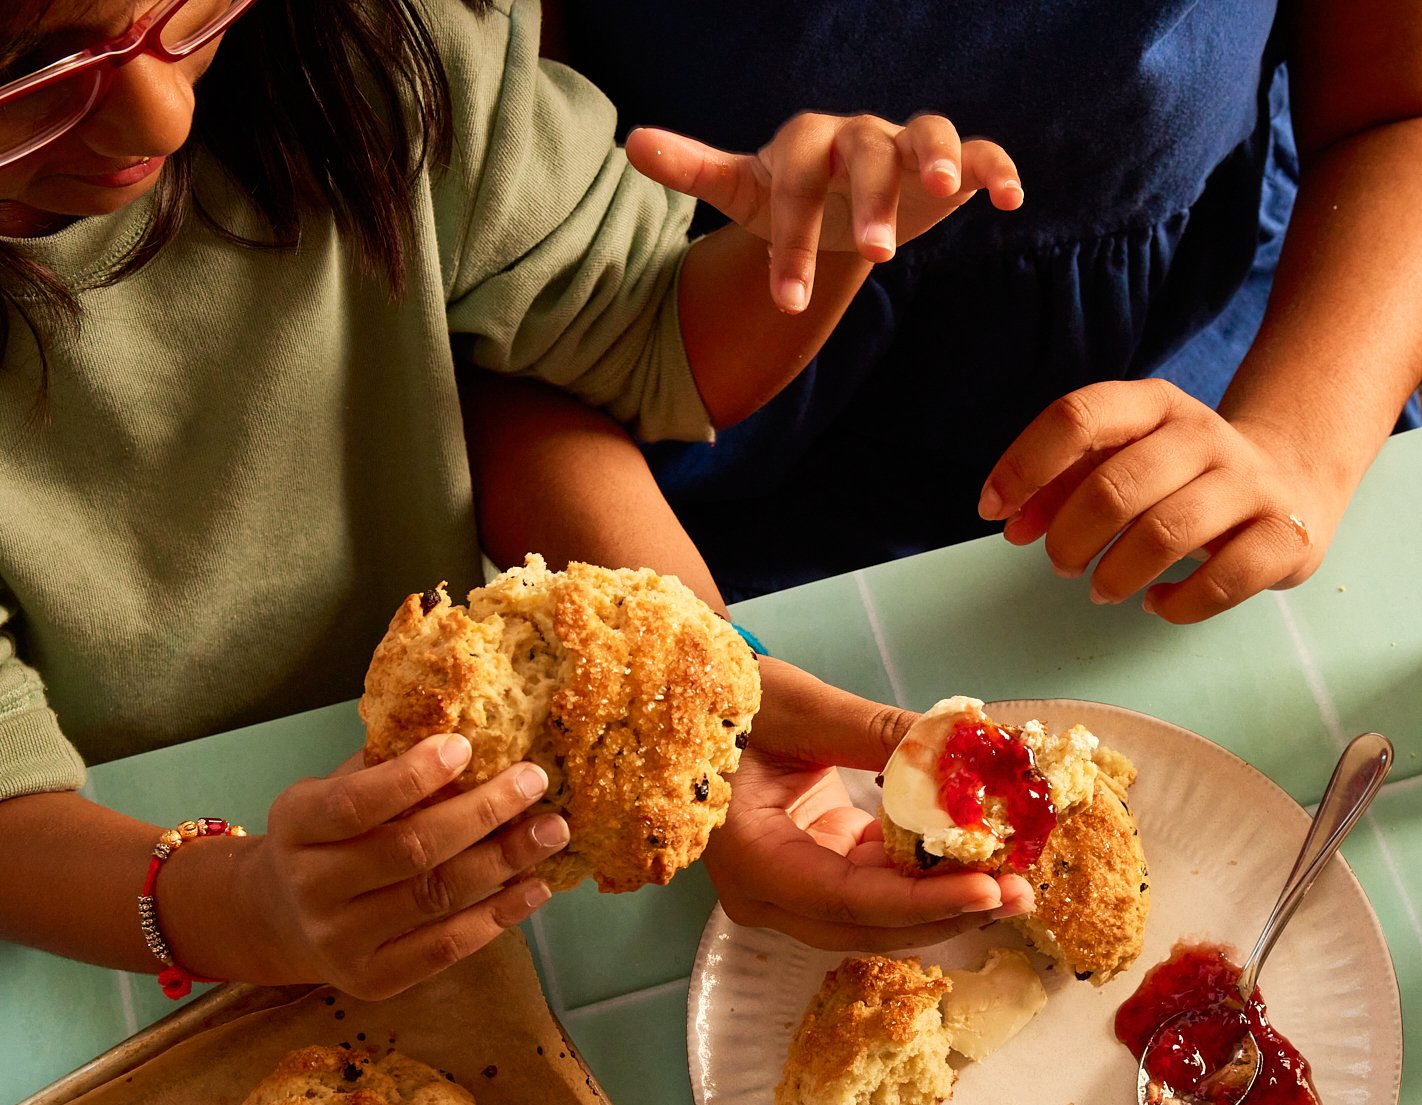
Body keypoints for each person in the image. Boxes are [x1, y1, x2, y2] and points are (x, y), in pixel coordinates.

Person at [0, 0, 1033, 1001]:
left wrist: (822, 244)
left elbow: (645, 346)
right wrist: (244, 907)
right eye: (32, 73)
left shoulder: (374, 52)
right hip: (90, 866)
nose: (160, 116)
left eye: (181, 8)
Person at [547, 0, 1422, 621]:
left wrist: (1297, 444)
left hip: (1215, 391)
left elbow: (1397, 114)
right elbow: (474, 275)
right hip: (668, 479)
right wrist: (707, 670)